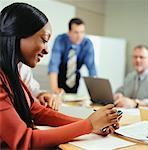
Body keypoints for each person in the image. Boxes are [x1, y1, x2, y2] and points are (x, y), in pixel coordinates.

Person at [0, 2, 121, 149]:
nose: (46, 50)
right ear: (18, 34)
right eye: (44, 40)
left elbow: (37, 111)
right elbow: (24, 141)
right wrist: (88, 124)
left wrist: (92, 123)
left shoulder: (12, 72)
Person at [48, 18, 96, 94]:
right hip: (59, 77)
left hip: (74, 78)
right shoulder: (60, 40)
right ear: (69, 32)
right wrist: (55, 89)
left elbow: (91, 68)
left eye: (82, 32)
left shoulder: (87, 43)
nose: (79, 36)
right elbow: (54, 64)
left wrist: (94, 92)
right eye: (76, 32)